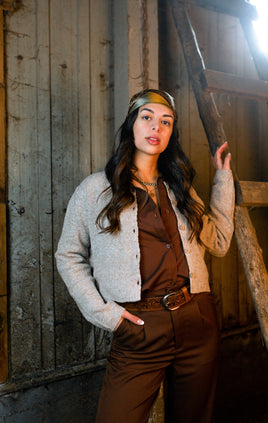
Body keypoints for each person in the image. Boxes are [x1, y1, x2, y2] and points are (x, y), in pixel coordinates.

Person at [55, 88, 234, 423]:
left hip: (197, 320)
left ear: (171, 133)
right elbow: (68, 256)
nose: (156, 127)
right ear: (131, 125)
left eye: (166, 122)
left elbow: (220, 241)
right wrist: (106, 315)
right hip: (137, 328)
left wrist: (223, 179)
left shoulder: (179, 188)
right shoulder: (96, 189)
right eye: (147, 118)